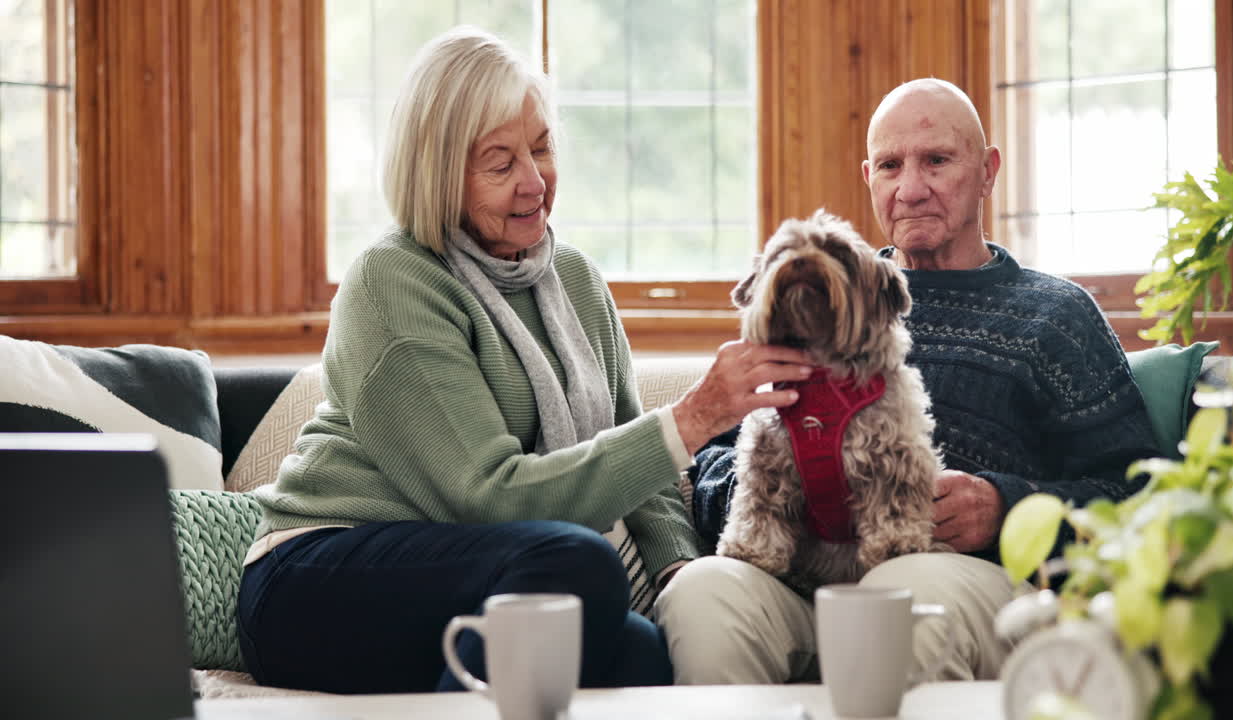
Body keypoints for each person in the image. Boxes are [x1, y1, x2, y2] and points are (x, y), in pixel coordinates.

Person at [236, 26, 812, 694]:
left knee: (647, 656)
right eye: (501, 162)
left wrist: (678, 573)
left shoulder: (572, 279)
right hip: (318, 577)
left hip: (489, 574)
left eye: (540, 148)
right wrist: (690, 419)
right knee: (575, 562)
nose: (535, 181)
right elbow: (490, 497)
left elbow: (642, 464)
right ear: (440, 172)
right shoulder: (394, 281)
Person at [655, 78, 1162, 684]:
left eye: (937, 161)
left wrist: (1006, 503)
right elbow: (712, 462)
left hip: (960, 573)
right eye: (891, 165)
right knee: (705, 593)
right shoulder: (811, 297)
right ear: (869, 176)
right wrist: (778, 485)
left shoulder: (1056, 315)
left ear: (987, 170)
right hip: (797, 578)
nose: (911, 189)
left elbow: (1140, 497)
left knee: (905, 592)